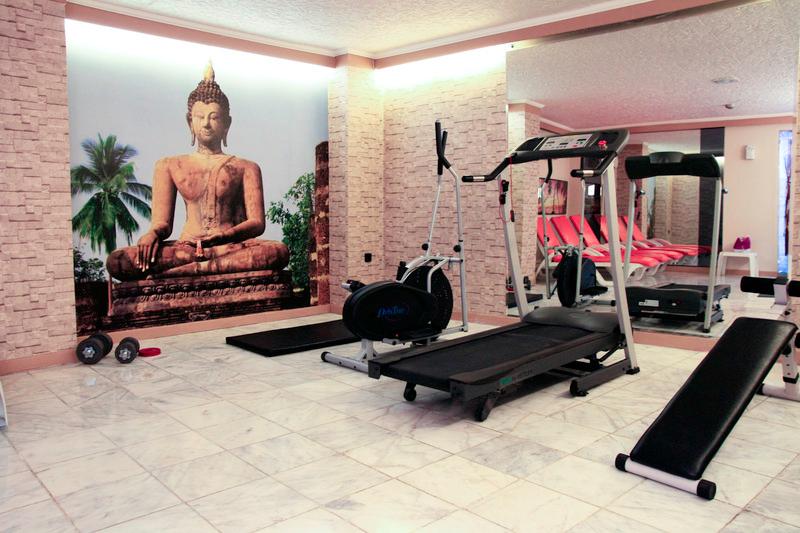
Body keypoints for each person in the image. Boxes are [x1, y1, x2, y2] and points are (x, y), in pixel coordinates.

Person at [107, 63, 289, 281]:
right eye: (200, 117)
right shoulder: (168, 165)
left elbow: (257, 223)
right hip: (187, 248)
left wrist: (224, 236)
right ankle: (204, 267)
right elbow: (163, 224)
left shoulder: (247, 167)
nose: (206, 124)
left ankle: (186, 271)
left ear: (227, 124)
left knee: (276, 252)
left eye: (214, 117)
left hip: (229, 247)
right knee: (119, 261)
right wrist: (153, 234)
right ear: (189, 122)